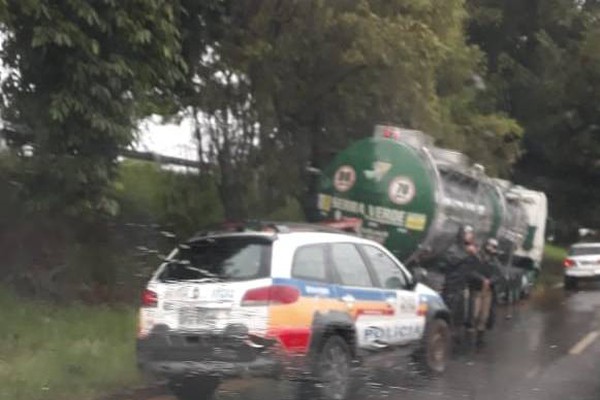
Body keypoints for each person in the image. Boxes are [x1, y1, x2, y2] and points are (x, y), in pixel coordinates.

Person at [440, 225, 477, 337]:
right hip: (452, 287)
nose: (470, 236)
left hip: (462, 287)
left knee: (460, 315)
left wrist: (474, 255)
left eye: (471, 233)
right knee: (449, 311)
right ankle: (444, 333)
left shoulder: (469, 249)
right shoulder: (454, 248)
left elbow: (473, 268)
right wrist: (467, 253)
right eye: (468, 233)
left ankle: (455, 333)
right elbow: (451, 261)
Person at [468, 237, 503, 346]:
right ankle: (469, 334)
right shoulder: (478, 258)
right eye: (490, 246)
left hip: (488, 292)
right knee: (474, 313)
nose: (491, 249)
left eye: (494, 247)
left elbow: (499, 275)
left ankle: (480, 338)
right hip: (477, 289)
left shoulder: (495, 262)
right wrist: (482, 279)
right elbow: (471, 271)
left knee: (484, 315)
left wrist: (490, 281)